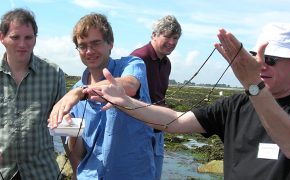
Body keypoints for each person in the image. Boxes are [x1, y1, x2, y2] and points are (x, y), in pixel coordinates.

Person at [83, 22, 290, 180]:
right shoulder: (235, 105)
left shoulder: (257, 94)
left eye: (270, 60)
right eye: (256, 57)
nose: (261, 65)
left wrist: (254, 86)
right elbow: (176, 121)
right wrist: (126, 103)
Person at [49, 13, 156, 179]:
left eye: (96, 43)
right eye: (82, 46)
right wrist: (70, 129)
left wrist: (80, 92)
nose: (89, 51)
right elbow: (78, 153)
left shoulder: (131, 65)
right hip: (91, 175)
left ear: (110, 44)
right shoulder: (75, 92)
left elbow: (130, 85)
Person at [0, 8, 66, 179]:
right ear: (2, 38)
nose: (22, 44)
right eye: (15, 37)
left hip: (41, 172)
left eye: (28, 37)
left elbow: (65, 126)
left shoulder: (53, 73)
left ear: (35, 39)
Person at [130, 14, 181, 179]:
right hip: (137, 131)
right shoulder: (138, 58)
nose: (172, 42)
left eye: (175, 38)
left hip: (158, 130)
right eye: (167, 36)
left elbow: (160, 96)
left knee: (154, 175)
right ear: (154, 35)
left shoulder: (167, 63)